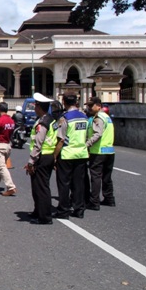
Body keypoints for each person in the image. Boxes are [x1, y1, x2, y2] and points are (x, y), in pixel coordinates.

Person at [52, 92, 89, 220]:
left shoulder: (65, 118)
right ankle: (79, 209)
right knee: (78, 183)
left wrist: (55, 156)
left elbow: (61, 139)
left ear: (64, 102)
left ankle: (63, 210)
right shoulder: (84, 116)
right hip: (82, 153)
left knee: (64, 184)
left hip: (67, 154)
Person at [24, 93, 59, 225]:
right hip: (48, 155)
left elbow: (38, 143)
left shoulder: (43, 122)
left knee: (41, 187)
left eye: (35, 105)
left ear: (39, 107)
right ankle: (38, 211)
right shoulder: (51, 120)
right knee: (38, 186)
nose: (34, 108)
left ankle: (44, 217)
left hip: (42, 156)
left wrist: (31, 161)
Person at [84, 96, 116, 209]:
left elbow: (97, 134)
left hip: (98, 152)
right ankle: (109, 198)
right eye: (88, 106)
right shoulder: (107, 117)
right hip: (109, 151)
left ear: (98, 106)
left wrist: (86, 145)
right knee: (107, 177)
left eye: (91, 106)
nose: (89, 108)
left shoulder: (98, 118)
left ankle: (94, 202)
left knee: (95, 177)